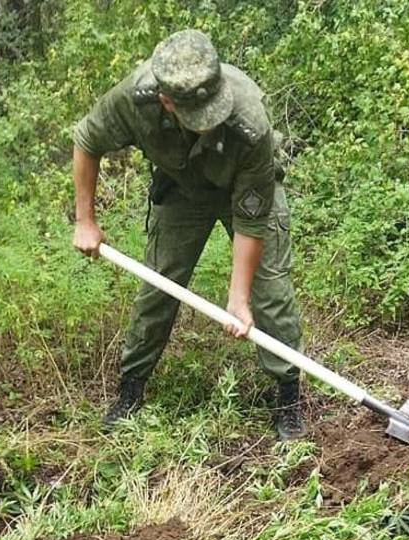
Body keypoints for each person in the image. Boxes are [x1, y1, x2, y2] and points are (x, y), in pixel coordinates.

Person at [71, 29, 305, 441]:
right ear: (165, 101)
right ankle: (131, 387)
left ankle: (287, 394)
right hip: (181, 188)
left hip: (244, 190)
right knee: (158, 285)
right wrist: (85, 220)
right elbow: (87, 140)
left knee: (270, 291)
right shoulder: (133, 99)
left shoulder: (249, 121)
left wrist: (237, 298)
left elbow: (251, 219)